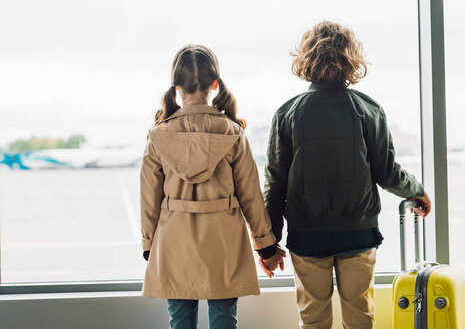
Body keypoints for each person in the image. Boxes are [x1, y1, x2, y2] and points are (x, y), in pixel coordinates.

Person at [263, 21, 432, 329]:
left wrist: (269, 243)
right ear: (350, 59)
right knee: (360, 319)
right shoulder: (369, 109)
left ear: (305, 59)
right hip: (358, 233)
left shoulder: (287, 113)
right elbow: (387, 171)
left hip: (307, 235)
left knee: (313, 320)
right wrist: (416, 189)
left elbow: (275, 183)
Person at [140, 45, 285, 329]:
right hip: (224, 242)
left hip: (174, 241)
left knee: (179, 321)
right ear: (215, 84)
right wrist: (266, 246)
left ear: (176, 87)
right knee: (224, 320)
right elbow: (251, 197)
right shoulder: (232, 133)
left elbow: (148, 199)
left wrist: (148, 243)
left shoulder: (158, 136)